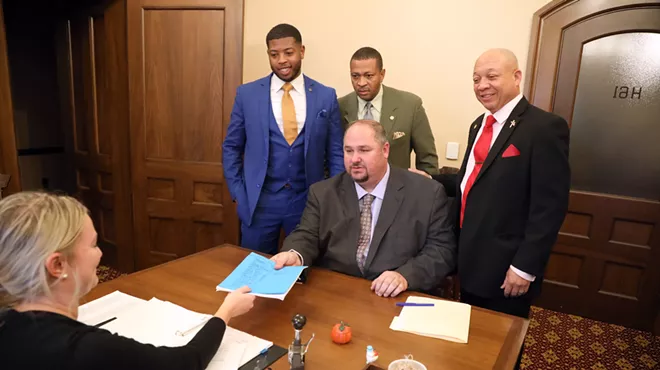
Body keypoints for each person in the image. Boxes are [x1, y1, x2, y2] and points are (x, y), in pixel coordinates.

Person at [411, 49, 569, 365]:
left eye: (492, 76)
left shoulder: (544, 127)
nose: (482, 85)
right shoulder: (478, 125)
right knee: (472, 348)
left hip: (507, 269)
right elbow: (472, 183)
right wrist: (431, 178)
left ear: (516, 77)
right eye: (476, 78)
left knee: (501, 351)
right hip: (470, 260)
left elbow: (549, 206)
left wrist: (525, 267)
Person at [0, 192, 256, 370]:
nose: (100, 254)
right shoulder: (89, 349)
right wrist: (226, 312)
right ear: (57, 265)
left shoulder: (9, 324)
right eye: (93, 245)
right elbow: (185, 362)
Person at [271, 120, 456, 298]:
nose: (355, 159)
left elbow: (441, 250)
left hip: (395, 296)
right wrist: (295, 255)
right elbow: (306, 234)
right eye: (348, 151)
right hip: (336, 292)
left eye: (364, 150)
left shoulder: (426, 193)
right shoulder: (324, 192)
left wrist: (405, 276)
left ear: (385, 150)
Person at [223, 24, 344, 255]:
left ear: (302, 51)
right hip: (259, 202)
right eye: (274, 54)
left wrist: (332, 197)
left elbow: (336, 151)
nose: (282, 60)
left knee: (303, 272)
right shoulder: (247, 94)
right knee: (254, 270)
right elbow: (231, 147)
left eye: (288, 53)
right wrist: (239, 192)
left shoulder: (325, 96)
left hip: (307, 202)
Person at [338, 47, 439, 176]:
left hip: (397, 191)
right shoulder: (340, 107)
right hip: (352, 190)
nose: (361, 83)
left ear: (382, 74)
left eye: (369, 76)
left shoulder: (410, 106)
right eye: (355, 76)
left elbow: (428, 160)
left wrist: (425, 189)